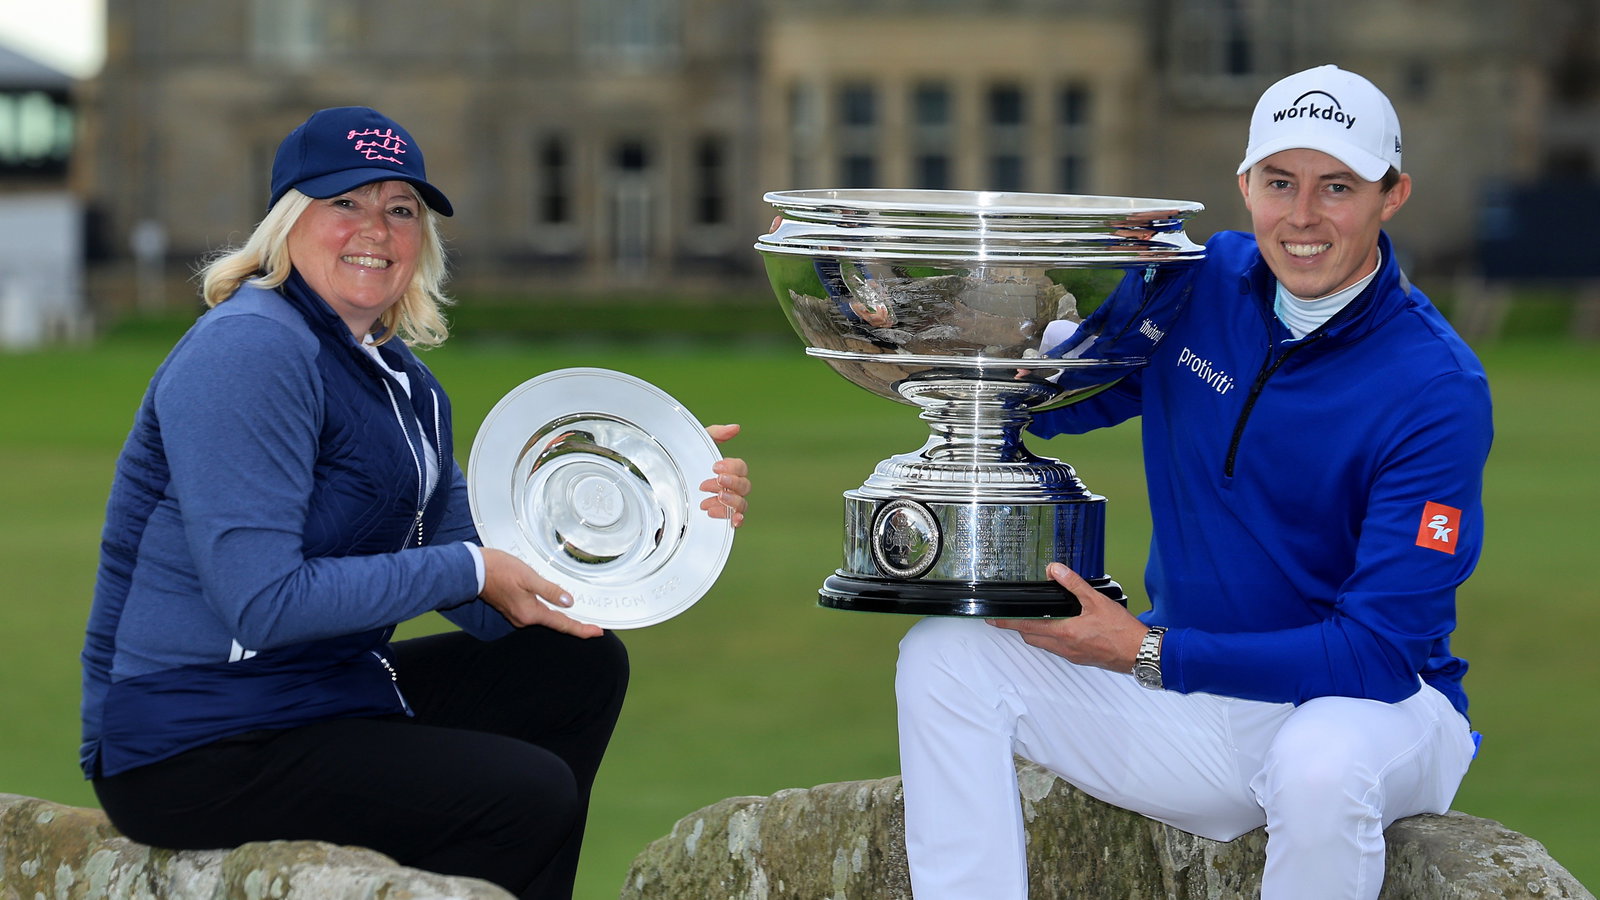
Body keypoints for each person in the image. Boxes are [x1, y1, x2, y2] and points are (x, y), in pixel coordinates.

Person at [79, 106, 751, 900]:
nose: (376, 230)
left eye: (401, 209)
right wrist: (468, 569)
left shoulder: (407, 386)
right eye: (345, 203)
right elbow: (262, 604)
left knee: (577, 667)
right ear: (288, 222)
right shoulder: (250, 347)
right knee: (523, 795)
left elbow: (495, 597)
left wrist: (657, 492)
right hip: (190, 739)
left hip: (324, 694)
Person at [895, 65, 1490, 900]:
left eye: (1338, 187)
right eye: (1280, 183)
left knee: (1319, 768)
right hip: (1196, 698)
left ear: (1392, 196)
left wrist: (1145, 651)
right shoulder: (1202, 283)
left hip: (1375, 711)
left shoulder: (1435, 387)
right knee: (945, 658)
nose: (1304, 215)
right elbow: (1062, 400)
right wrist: (932, 322)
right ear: (1244, 186)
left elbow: (1380, 653)